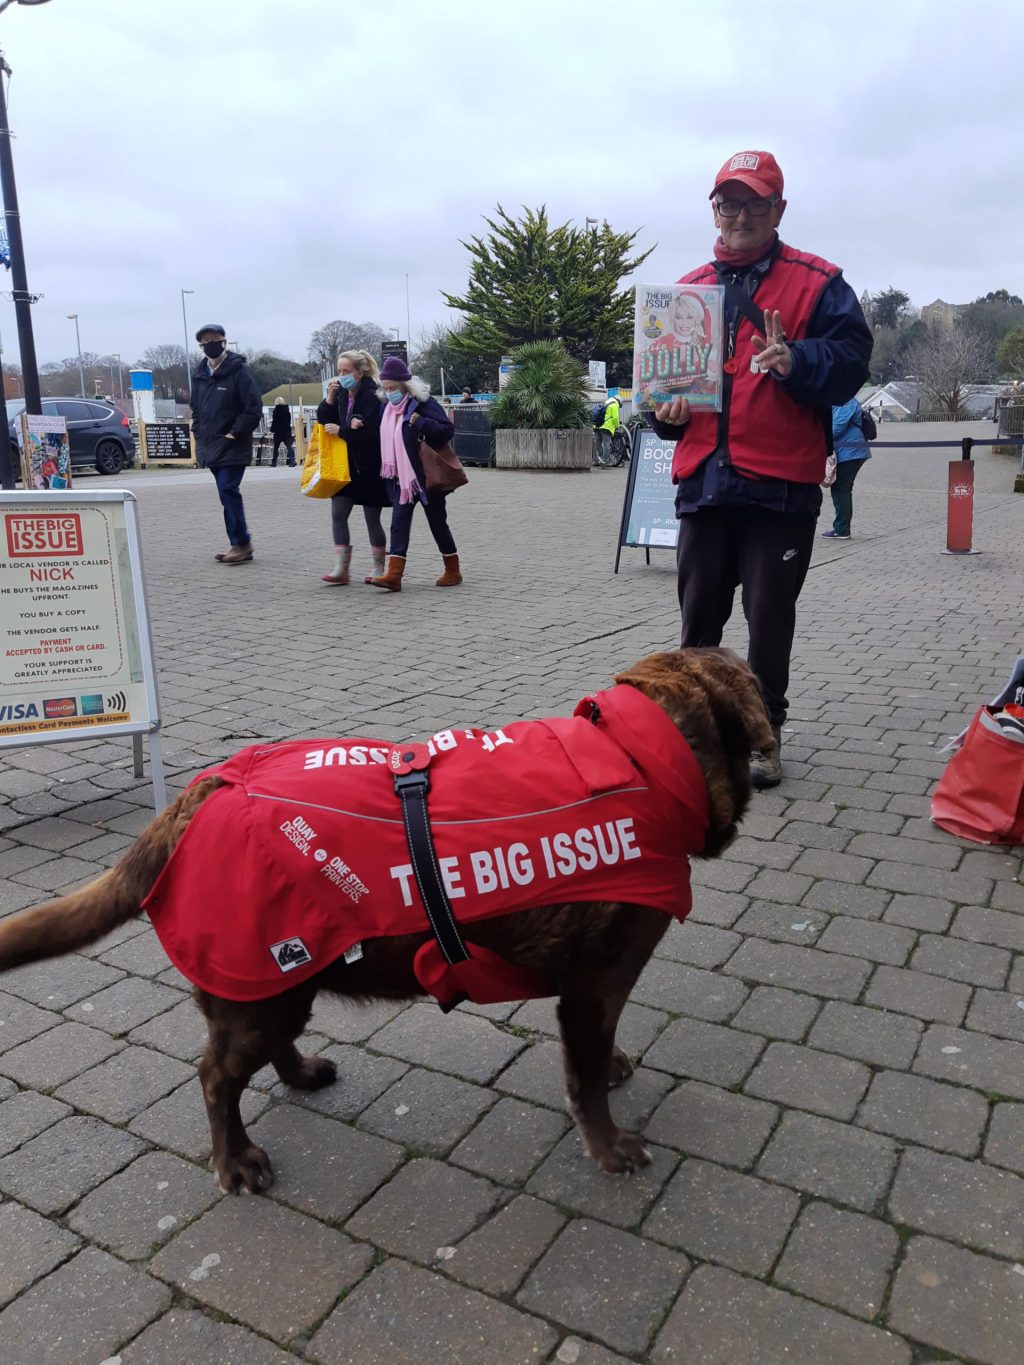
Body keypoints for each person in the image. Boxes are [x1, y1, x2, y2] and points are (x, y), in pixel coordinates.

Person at [649, 150, 872, 787]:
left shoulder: (819, 283)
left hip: (781, 487)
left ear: (778, 209)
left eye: (754, 203)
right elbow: (669, 403)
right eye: (729, 203)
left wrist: (796, 359)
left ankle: (763, 733)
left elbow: (853, 361)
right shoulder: (684, 293)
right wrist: (665, 413)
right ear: (713, 210)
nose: (740, 215)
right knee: (698, 621)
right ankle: (701, 734)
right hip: (705, 482)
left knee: (769, 620)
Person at [367, 355, 462, 592]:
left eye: (393, 388)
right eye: (386, 388)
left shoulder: (423, 404)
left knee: (437, 523)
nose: (389, 393)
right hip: (401, 478)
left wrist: (420, 422)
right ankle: (394, 576)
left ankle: (453, 570)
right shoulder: (385, 409)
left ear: (406, 387)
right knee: (398, 524)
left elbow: (447, 430)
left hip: (426, 477)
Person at [190, 324, 263, 564]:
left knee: (228, 489)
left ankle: (240, 542)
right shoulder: (200, 374)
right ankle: (240, 542)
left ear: (224, 341)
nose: (210, 344)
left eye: (215, 339)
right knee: (225, 494)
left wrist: (235, 433)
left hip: (234, 444)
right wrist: (198, 432)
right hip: (210, 445)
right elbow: (196, 407)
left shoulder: (239, 371)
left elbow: (253, 407)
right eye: (205, 341)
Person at [316, 350, 389, 585]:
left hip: (368, 467)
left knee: (372, 518)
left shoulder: (372, 395)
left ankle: (379, 567)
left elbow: (371, 433)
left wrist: (343, 430)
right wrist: (329, 400)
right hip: (343, 466)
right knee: (338, 513)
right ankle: (341, 568)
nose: (341, 376)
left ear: (360, 372)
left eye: (346, 371)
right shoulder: (339, 394)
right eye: (339, 371)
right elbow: (323, 421)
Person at [824, 400, 871, 539]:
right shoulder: (843, 400)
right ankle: (841, 527)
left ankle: (842, 529)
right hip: (850, 451)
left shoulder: (844, 401)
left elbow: (836, 428)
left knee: (841, 489)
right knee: (842, 489)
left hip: (850, 452)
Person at [270, 396, 296, 467]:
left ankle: (274, 462)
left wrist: (272, 429)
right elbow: (289, 420)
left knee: (276, 447)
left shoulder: (275, 411)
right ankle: (292, 461)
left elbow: (275, 422)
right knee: (289, 446)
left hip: (278, 432)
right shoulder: (287, 410)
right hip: (287, 431)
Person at [596, 392, 621, 461]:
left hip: (598, 426)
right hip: (606, 427)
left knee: (598, 444)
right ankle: (604, 462)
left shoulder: (606, 402)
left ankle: (596, 461)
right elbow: (615, 418)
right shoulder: (615, 404)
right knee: (606, 446)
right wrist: (617, 426)